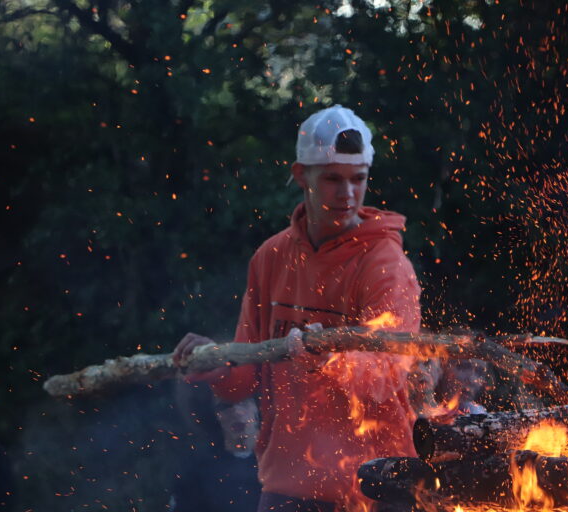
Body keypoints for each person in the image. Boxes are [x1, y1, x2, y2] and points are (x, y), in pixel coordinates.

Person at [174, 105, 421, 511]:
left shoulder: (385, 264)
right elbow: (245, 377)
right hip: (288, 485)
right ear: (301, 175)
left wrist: (328, 359)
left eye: (358, 179)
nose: (347, 193)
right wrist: (214, 363)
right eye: (332, 179)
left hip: (376, 486)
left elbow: (387, 371)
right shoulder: (271, 257)